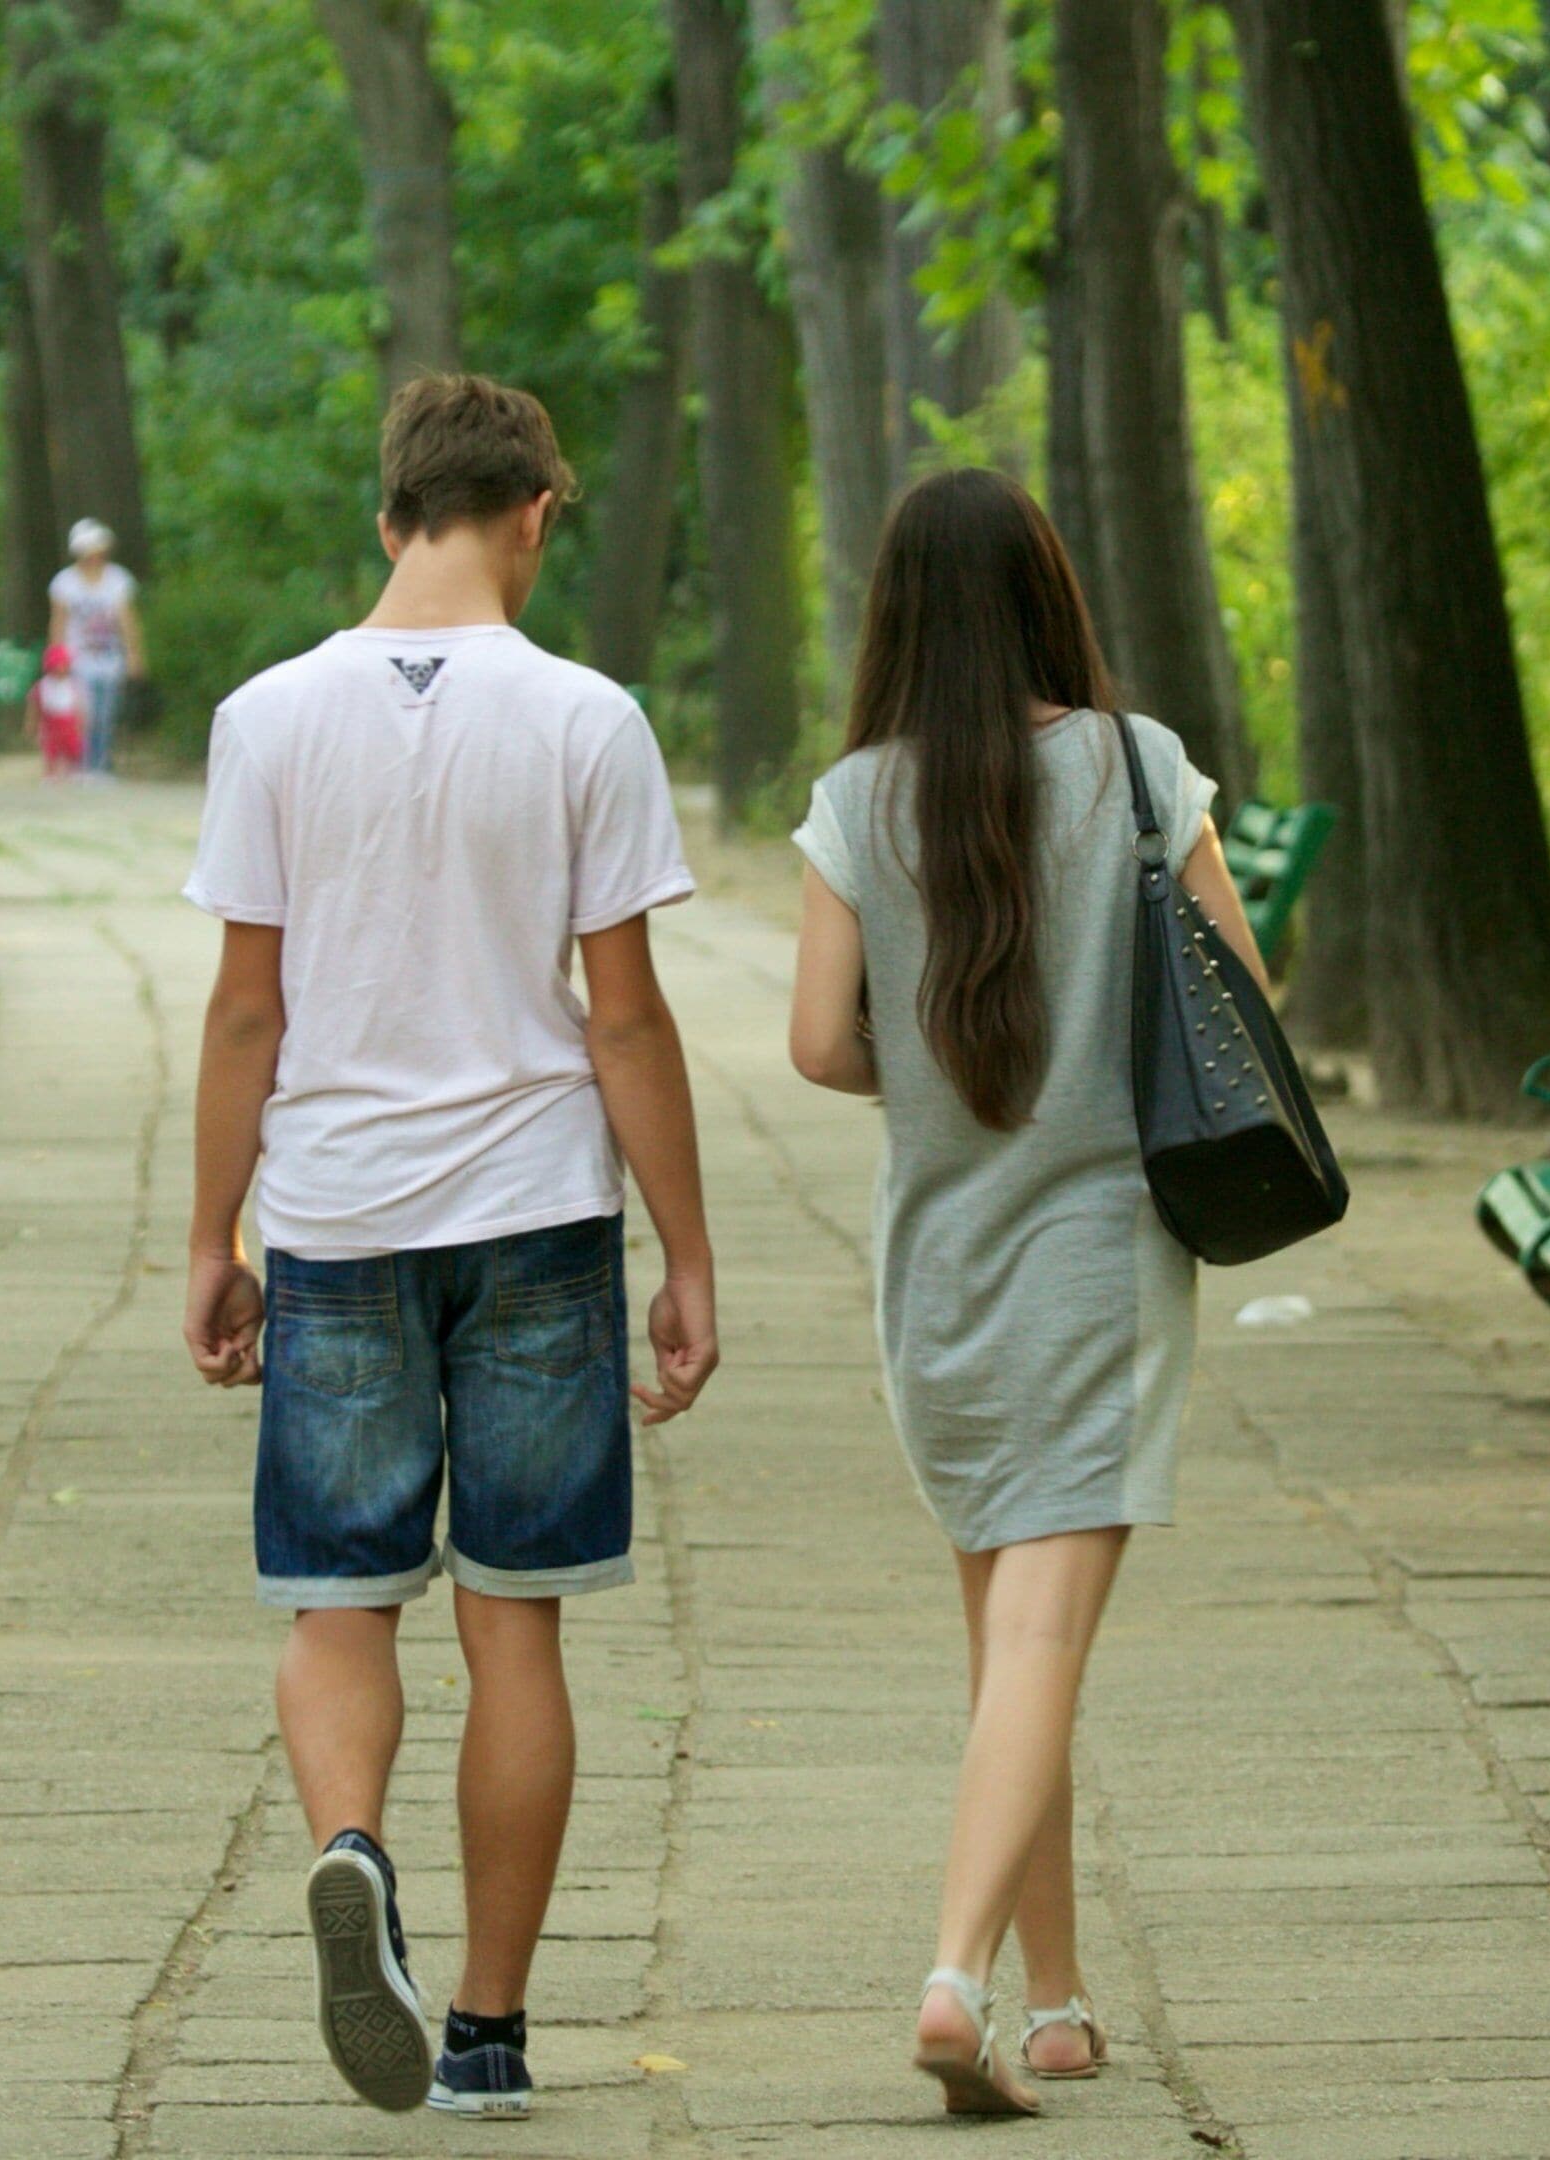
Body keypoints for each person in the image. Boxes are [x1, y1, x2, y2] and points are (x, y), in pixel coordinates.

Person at [180, 375, 722, 2125]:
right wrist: (689, 1254)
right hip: (541, 1218)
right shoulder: (586, 718)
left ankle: (352, 1847)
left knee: (339, 1605)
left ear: (389, 513)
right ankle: (487, 2032)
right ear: (537, 514)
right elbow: (627, 1024)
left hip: (336, 1216)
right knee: (517, 1628)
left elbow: (245, 1014)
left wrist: (212, 1232)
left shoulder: (266, 718)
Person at [781, 469, 1262, 2118]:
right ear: (1051, 593)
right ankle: (952, 1974)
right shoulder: (1140, 770)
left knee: (1010, 1641)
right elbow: (1245, 999)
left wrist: (936, 1078)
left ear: (897, 614)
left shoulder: (859, 800)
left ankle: (1054, 2005)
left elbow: (819, 1042)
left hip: (937, 1266)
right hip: (1105, 1257)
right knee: (1046, 1634)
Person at [49, 516, 147, 774]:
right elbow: (58, 623)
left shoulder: (118, 580)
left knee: (106, 715)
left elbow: (127, 620)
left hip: (110, 657)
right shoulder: (64, 583)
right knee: (84, 714)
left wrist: (134, 654)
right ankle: (82, 763)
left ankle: (100, 763)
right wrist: (56, 659)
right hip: (77, 658)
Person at [32, 644, 87, 776]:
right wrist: (34, 726)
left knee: (73, 750)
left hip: (69, 723)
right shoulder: (43, 686)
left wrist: (81, 724)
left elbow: (79, 707)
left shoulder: (73, 685)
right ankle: (51, 774)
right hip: (51, 723)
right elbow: (35, 707)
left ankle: (73, 772)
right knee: (51, 750)